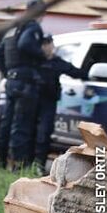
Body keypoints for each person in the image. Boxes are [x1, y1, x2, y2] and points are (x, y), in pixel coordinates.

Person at [0, 0, 47, 170]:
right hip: (25, 82)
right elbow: (25, 44)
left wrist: (8, 72)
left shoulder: (13, 28)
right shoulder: (32, 27)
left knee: (6, 124)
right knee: (22, 125)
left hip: (11, 80)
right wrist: (42, 55)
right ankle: (19, 166)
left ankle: (1, 162)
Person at [32, 34, 87, 172]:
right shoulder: (34, 62)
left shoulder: (58, 62)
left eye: (48, 43)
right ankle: (25, 164)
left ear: (52, 45)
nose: (46, 47)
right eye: (43, 44)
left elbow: (76, 72)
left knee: (44, 134)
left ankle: (39, 165)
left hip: (48, 103)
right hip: (32, 102)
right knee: (29, 133)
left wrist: (90, 71)